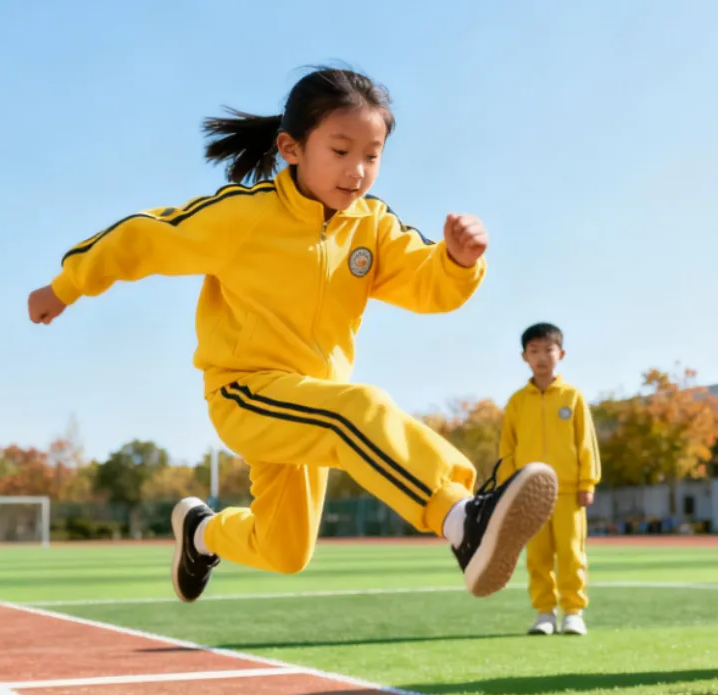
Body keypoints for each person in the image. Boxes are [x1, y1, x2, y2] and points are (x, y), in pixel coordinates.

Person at [28, 67, 558, 603]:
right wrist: (65, 287)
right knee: (359, 408)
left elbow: (427, 286)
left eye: (372, 156)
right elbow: (142, 238)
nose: (357, 170)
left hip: (312, 407)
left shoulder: (372, 227)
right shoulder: (244, 217)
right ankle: (462, 519)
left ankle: (201, 533)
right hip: (247, 393)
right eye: (341, 150)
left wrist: (457, 262)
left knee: (285, 549)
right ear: (291, 147)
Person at [499, 323, 601, 635]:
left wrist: (587, 482)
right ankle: (544, 613)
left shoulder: (573, 397)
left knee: (572, 552)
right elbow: (507, 448)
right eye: (534, 351)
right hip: (530, 494)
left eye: (548, 350)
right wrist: (508, 488)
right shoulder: (517, 402)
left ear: (561, 354)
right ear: (524, 357)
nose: (542, 357)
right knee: (537, 555)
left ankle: (573, 611)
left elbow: (587, 442)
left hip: (569, 491)